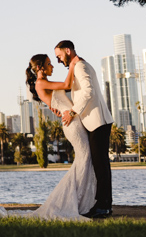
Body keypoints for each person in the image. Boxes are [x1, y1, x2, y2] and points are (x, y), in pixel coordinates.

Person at [26, 53, 96, 221]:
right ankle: (75, 200)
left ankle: (82, 200)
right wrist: (73, 64)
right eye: (49, 64)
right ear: (39, 68)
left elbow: (61, 94)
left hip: (73, 120)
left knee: (85, 159)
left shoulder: (44, 83)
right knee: (84, 157)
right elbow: (66, 84)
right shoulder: (41, 83)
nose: (52, 66)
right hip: (71, 123)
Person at [54, 40, 114, 219]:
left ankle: (103, 206)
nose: (58, 60)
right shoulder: (79, 65)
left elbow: (88, 91)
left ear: (68, 50)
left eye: (59, 56)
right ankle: (103, 204)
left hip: (98, 121)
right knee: (99, 165)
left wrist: (72, 112)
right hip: (93, 121)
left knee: (101, 165)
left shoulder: (80, 66)